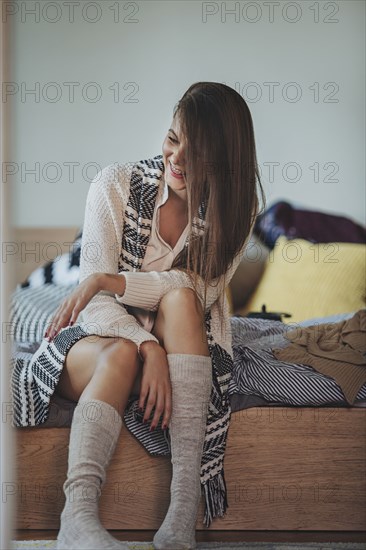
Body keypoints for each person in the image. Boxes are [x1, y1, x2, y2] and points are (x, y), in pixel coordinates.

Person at [39, 81, 264, 550]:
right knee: (121, 354)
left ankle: (182, 509)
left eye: (196, 150)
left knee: (181, 297)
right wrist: (148, 347)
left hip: (175, 324)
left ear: (225, 161)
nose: (176, 158)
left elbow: (196, 294)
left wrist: (116, 281)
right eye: (172, 137)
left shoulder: (234, 213)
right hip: (100, 331)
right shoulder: (115, 185)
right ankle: (75, 518)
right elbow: (92, 300)